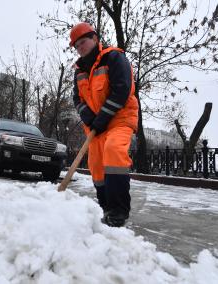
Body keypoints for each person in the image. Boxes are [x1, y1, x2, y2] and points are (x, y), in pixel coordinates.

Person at [70, 22, 139, 227]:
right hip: (96, 127)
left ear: (95, 39)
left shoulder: (114, 58)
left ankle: (119, 211)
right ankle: (105, 207)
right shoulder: (79, 71)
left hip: (120, 120)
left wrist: (102, 117)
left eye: (83, 42)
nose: (80, 47)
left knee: (113, 151)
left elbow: (122, 89)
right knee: (96, 166)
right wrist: (89, 118)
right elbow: (77, 99)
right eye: (77, 45)